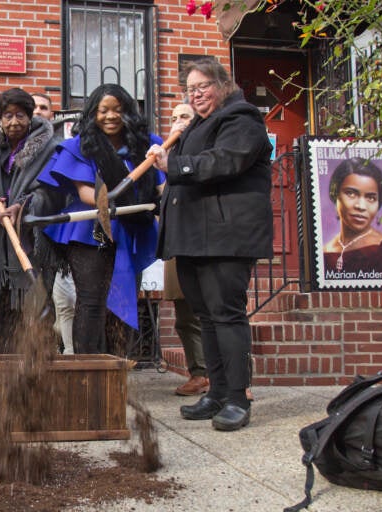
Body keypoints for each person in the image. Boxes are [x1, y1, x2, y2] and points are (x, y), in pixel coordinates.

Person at [148, 58, 273, 431]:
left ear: (223, 83)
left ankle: (237, 397)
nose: (196, 95)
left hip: (225, 238)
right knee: (206, 318)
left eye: (202, 87)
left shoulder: (242, 119)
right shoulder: (198, 125)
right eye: (189, 89)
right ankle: (217, 393)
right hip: (193, 238)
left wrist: (174, 165)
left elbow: (224, 162)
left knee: (226, 316)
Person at [38, 83, 165, 355]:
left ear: (128, 112)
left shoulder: (148, 145)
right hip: (92, 230)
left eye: (118, 110)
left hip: (131, 229)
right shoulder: (80, 146)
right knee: (91, 299)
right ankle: (87, 368)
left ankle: (117, 365)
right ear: (93, 113)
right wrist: (110, 201)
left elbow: (161, 186)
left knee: (122, 296)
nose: (110, 116)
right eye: (103, 110)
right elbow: (84, 190)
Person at [0, 88, 59, 352]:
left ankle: (33, 370)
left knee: (35, 312)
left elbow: (51, 190)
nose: (13, 122)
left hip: (32, 244)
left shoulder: (49, 148)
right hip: (0, 241)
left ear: (30, 117)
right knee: (2, 312)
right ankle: (2, 370)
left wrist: (23, 205)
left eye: (20, 115)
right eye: (7, 116)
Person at [161, 103, 209, 396]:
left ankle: (235, 381)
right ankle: (199, 373)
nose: (178, 123)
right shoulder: (164, 155)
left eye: (185, 117)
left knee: (220, 312)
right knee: (184, 314)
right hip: (177, 241)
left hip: (207, 240)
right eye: (174, 118)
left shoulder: (207, 151)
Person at [31, 92, 76, 355]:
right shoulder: (9, 151)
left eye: (44, 107)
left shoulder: (61, 148)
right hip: (23, 239)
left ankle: (62, 356)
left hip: (55, 240)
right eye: (33, 107)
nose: (38, 111)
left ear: (52, 115)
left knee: (62, 305)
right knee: (30, 305)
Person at [322, 157, 382, 276]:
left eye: (371, 198)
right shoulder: (324, 251)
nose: (361, 206)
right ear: (335, 195)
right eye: (351, 193)